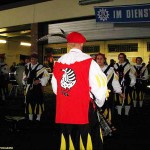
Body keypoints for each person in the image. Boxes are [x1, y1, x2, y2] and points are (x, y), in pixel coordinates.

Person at [51, 32, 108, 150]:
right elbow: (100, 85)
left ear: (69, 44)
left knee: (69, 140)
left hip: (65, 109)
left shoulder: (59, 61)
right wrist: (99, 102)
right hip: (83, 109)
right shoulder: (89, 61)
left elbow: (55, 87)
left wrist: (67, 96)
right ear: (82, 43)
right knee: (87, 140)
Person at [95, 53, 124, 124]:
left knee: (107, 108)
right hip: (96, 93)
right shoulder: (92, 69)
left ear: (104, 60)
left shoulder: (111, 70)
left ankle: (108, 125)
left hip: (108, 93)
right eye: (97, 58)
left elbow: (115, 82)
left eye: (101, 58)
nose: (99, 60)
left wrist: (120, 92)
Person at [22, 52, 50, 121]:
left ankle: (38, 117)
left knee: (38, 101)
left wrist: (40, 80)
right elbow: (24, 75)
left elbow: (47, 77)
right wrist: (24, 79)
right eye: (31, 59)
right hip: (29, 88)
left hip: (37, 88)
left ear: (37, 60)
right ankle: (30, 116)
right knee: (29, 101)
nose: (33, 61)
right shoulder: (27, 67)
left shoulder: (41, 68)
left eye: (34, 59)